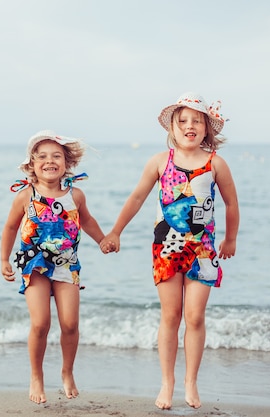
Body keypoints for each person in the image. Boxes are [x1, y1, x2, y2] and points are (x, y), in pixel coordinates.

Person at [100, 92, 239, 410]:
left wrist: (230, 240)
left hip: (202, 250)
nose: (190, 126)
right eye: (183, 121)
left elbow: (232, 204)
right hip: (166, 248)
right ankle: (167, 383)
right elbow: (136, 199)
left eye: (197, 121)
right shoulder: (159, 162)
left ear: (207, 128)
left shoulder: (215, 163)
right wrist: (115, 232)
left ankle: (191, 382)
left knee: (195, 315)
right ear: (173, 128)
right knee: (171, 315)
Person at [0, 130, 106, 404]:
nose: (50, 161)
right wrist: (4, 259)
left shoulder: (76, 195)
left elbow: (88, 221)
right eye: (43, 157)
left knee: (70, 323)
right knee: (41, 322)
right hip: (33, 264)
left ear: (66, 163)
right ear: (32, 164)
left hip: (66, 264)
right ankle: (36, 376)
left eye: (56, 156)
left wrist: (103, 240)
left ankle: (67, 371)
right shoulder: (26, 196)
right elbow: (11, 227)